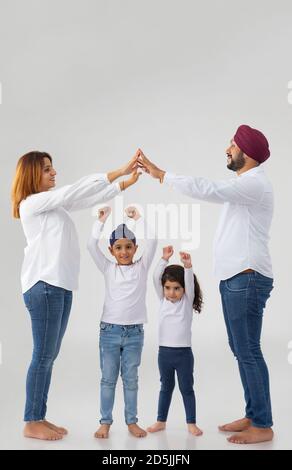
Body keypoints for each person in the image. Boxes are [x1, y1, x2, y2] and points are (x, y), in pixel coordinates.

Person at [137, 124, 274, 445]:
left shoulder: (254, 184)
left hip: (247, 278)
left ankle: (263, 424)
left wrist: (162, 175)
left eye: (233, 145)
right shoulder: (246, 184)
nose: (227, 149)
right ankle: (254, 414)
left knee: (248, 351)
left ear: (247, 153)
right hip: (237, 278)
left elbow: (206, 188)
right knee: (242, 351)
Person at [11, 150, 140, 441]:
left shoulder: (53, 206)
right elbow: (76, 189)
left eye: (52, 168)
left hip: (59, 287)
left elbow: (83, 198)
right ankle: (32, 420)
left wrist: (122, 185)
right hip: (44, 287)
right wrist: (118, 170)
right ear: (32, 174)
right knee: (43, 355)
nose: (54, 173)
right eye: (46, 169)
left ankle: (39, 416)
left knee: (49, 355)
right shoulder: (32, 203)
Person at [87, 205, 157, 438]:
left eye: (129, 247)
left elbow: (153, 240)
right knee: (108, 379)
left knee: (131, 379)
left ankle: (131, 421)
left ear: (136, 248)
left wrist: (138, 218)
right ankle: (105, 422)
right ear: (111, 250)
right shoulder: (108, 268)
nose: (124, 251)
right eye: (119, 247)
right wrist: (101, 221)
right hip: (109, 331)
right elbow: (90, 246)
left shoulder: (142, 267)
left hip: (135, 333)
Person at [147, 246, 203, 437]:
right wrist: (163, 259)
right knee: (166, 387)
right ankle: (160, 421)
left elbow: (189, 281)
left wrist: (188, 266)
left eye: (177, 288)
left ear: (184, 290)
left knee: (186, 388)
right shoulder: (162, 300)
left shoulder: (186, 302)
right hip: (164, 354)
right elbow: (155, 277)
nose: (171, 293)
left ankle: (191, 423)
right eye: (168, 288)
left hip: (183, 355)